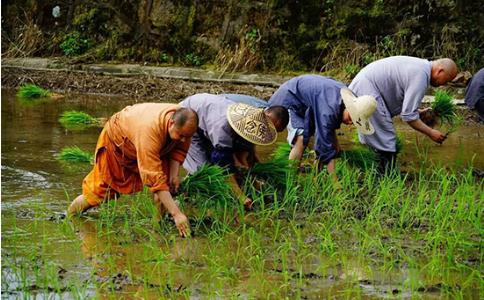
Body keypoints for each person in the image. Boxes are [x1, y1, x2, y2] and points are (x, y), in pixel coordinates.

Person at [67, 103, 198, 237]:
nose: (183, 140)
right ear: (171, 123)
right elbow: (154, 179)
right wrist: (177, 214)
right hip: (118, 145)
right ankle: (69, 217)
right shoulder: (149, 131)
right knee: (101, 191)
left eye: (187, 137)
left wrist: (174, 175)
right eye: (181, 135)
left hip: (151, 143)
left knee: (167, 185)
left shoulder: (184, 125)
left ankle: (158, 227)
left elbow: (179, 149)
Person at [349, 56, 458, 172]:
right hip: (366, 90)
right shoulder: (420, 76)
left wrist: (418, 112)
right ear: (440, 71)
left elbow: (405, 104)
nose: (443, 85)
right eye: (445, 80)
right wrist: (431, 133)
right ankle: (385, 176)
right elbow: (408, 117)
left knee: (373, 135)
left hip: (364, 85)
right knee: (385, 137)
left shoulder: (420, 67)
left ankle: (369, 171)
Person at [180, 93, 288, 209]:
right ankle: (178, 194)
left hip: (208, 114)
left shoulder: (251, 120)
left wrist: (252, 175)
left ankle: (185, 194)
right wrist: (240, 196)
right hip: (188, 116)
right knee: (202, 170)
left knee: (229, 165)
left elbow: (247, 151)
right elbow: (224, 167)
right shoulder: (222, 130)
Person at [268, 74, 377, 179]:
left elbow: (328, 129)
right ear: (348, 107)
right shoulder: (329, 109)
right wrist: (335, 183)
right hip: (292, 100)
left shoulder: (344, 99)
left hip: (309, 104)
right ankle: (289, 177)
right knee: (301, 139)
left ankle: (315, 175)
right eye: (351, 117)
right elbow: (325, 141)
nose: (350, 123)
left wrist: (336, 147)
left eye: (355, 121)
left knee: (327, 144)